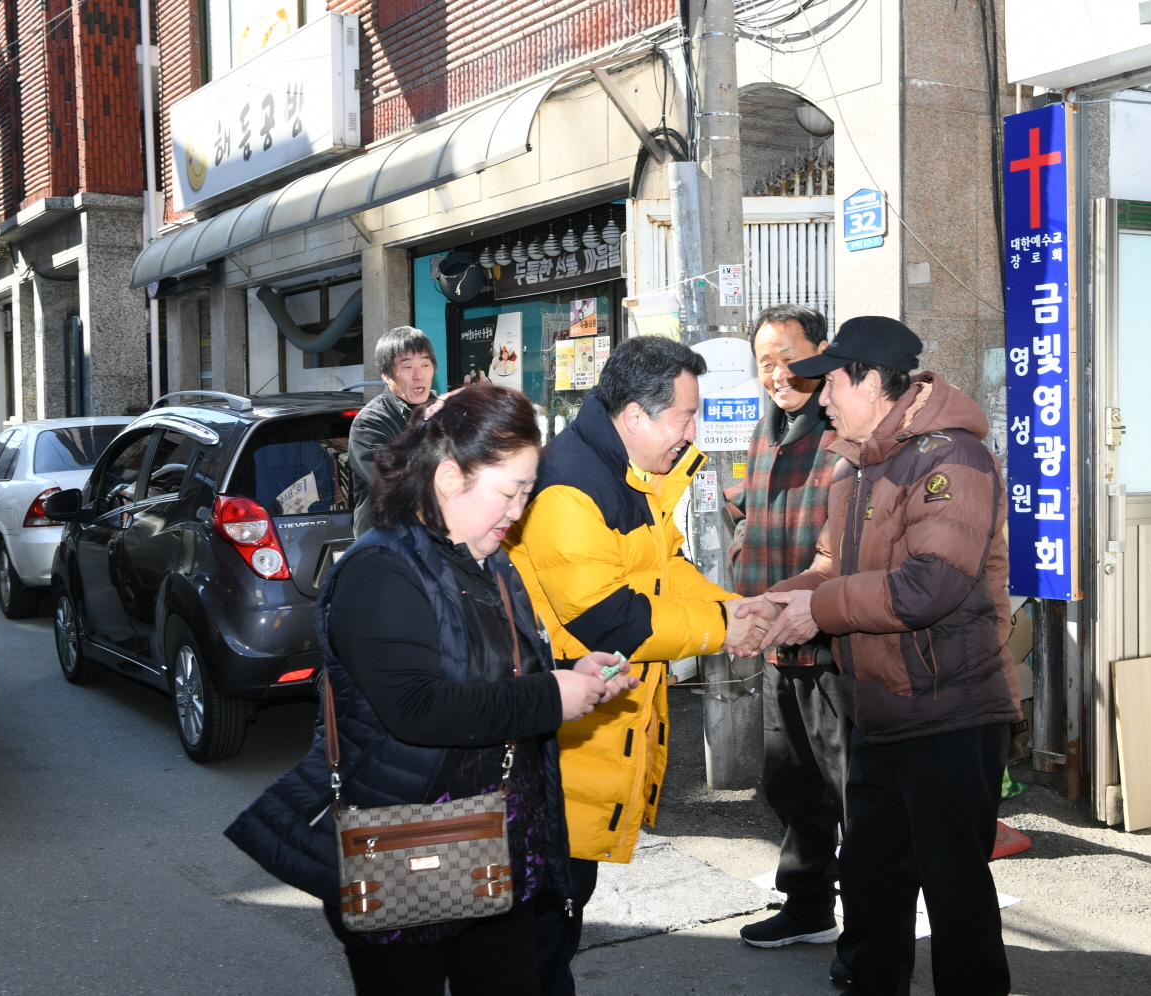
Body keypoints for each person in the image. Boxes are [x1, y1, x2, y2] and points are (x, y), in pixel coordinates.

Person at [225, 384, 637, 996]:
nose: (518, 512)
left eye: (527, 493)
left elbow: (490, 670)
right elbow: (417, 708)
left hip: (495, 838)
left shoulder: (484, 557)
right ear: (449, 477)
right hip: (406, 847)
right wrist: (551, 697)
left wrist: (573, 672)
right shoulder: (380, 570)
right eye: (510, 492)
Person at [754, 315, 1018, 996]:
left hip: (950, 709)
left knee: (952, 884)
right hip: (876, 708)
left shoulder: (950, 459)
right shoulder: (855, 465)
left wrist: (816, 610)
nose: (821, 397)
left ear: (872, 380)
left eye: (832, 381)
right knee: (870, 875)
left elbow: (929, 586)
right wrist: (770, 605)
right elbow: (828, 567)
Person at [506, 334, 773, 995]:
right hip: (557, 746)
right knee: (538, 930)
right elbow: (612, 619)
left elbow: (665, 570)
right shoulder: (569, 489)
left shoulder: (628, 476)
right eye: (684, 415)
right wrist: (721, 630)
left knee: (560, 914)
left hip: (593, 738)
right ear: (634, 416)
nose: (692, 429)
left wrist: (731, 612)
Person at [722, 305, 850, 968]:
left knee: (852, 790)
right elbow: (740, 511)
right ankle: (806, 907)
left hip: (834, 643)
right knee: (791, 781)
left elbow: (857, 547)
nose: (774, 374)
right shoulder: (764, 428)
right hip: (777, 641)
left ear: (822, 351)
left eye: (785, 357)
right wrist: (747, 576)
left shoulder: (843, 425)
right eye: (763, 362)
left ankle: (868, 928)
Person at [349, 326, 439, 535]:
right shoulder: (370, 423)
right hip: (389, 547)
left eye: (425, 364)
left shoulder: (446, 412)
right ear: (386, 375)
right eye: (407, 367)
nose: (419, 376)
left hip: (440, 545)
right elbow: (396, 484)